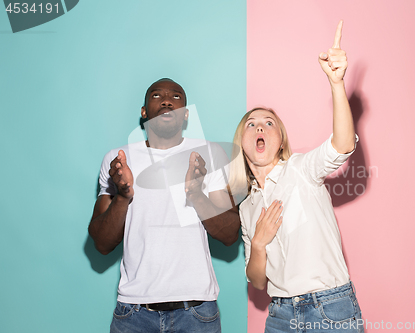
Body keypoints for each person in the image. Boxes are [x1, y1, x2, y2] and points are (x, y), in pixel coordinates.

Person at [229, 21, 364, 332]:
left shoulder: (301, 169)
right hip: (280, 316)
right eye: (252, 124)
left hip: (331, 308)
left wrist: (336, 84)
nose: (260, 127)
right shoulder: (247, 207)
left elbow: (342, 145)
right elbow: (257, 280)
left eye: (269, 123)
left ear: (280, 140)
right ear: (242, 141)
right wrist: (259, 243)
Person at [88, 78, 240, 333]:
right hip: (134, 313)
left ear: (186, 114)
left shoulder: (210, 154)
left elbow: (229, 234)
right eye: (157, 96)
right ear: (144, 111)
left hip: (196, 312)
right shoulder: (117, 159)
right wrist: (123, 195)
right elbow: (102, 243)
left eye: (176, 97)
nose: (167, 100)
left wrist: (196, 194)